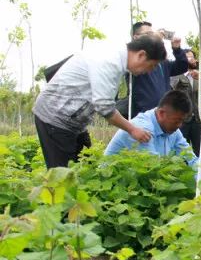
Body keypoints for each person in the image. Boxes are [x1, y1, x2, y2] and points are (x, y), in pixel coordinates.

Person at [33, 35, 166, 168]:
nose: (150, 71)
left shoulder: (117, 58)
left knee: (86, 167)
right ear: (141, 55)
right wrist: (133, 129)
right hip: (54, 117)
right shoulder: (110, 61)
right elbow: (104, 107)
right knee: (61, 175)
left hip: (73, 121)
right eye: (152, 65)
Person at [105, 90, 201, 180]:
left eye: (182, 121)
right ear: (161, 113)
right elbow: (154, 168)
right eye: (177, 121)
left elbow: (192, 160)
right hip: (111, 182)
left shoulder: (174, 131)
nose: (179, 125)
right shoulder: (142, 129)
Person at [129, 21, 189, 118]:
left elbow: (182, 66)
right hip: (143, 115)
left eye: (152, 34)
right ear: (135, 37)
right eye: (148, 34)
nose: (151, 37)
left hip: (164, 114)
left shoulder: (161, 62)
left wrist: (177, 50)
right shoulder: (134, 57)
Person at [170, 48, 201, 156]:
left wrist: (199, 77)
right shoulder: (175, 74)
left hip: (198, 118)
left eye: (192, 57)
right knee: (182, 153)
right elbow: (171, 88)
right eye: (187, 57)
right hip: (181, 120)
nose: (191, 59)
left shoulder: (199, 73)